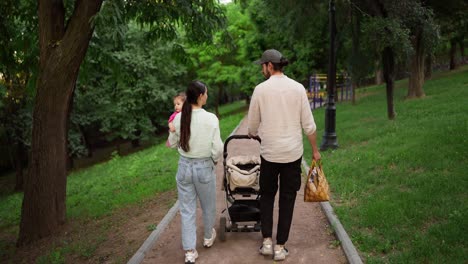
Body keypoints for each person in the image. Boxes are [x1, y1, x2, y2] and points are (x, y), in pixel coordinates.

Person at [248, 49, 321, 261]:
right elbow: (309, 125)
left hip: (269, 153)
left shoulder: (260, 90)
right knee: (288, 199)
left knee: (267, 196)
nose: (262, 69)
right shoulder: (298, 89)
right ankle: (280, 247)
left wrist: (254, 133)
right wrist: (315, 151)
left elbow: (252, 126)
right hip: (292, 154)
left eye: (263, 65)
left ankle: (266, 242)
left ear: (270, 66)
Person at [168, 81, 223, 264]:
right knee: (208, 205)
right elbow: (217, 148)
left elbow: (173, 143)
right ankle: (208, 237)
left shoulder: (178, 118)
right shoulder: (211, 118)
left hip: (184, 167)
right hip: (203, 167)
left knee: (187, 210)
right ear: (200, 96)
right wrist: (214, 160)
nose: (207, 96)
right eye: (206, 93)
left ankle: (190, 251)